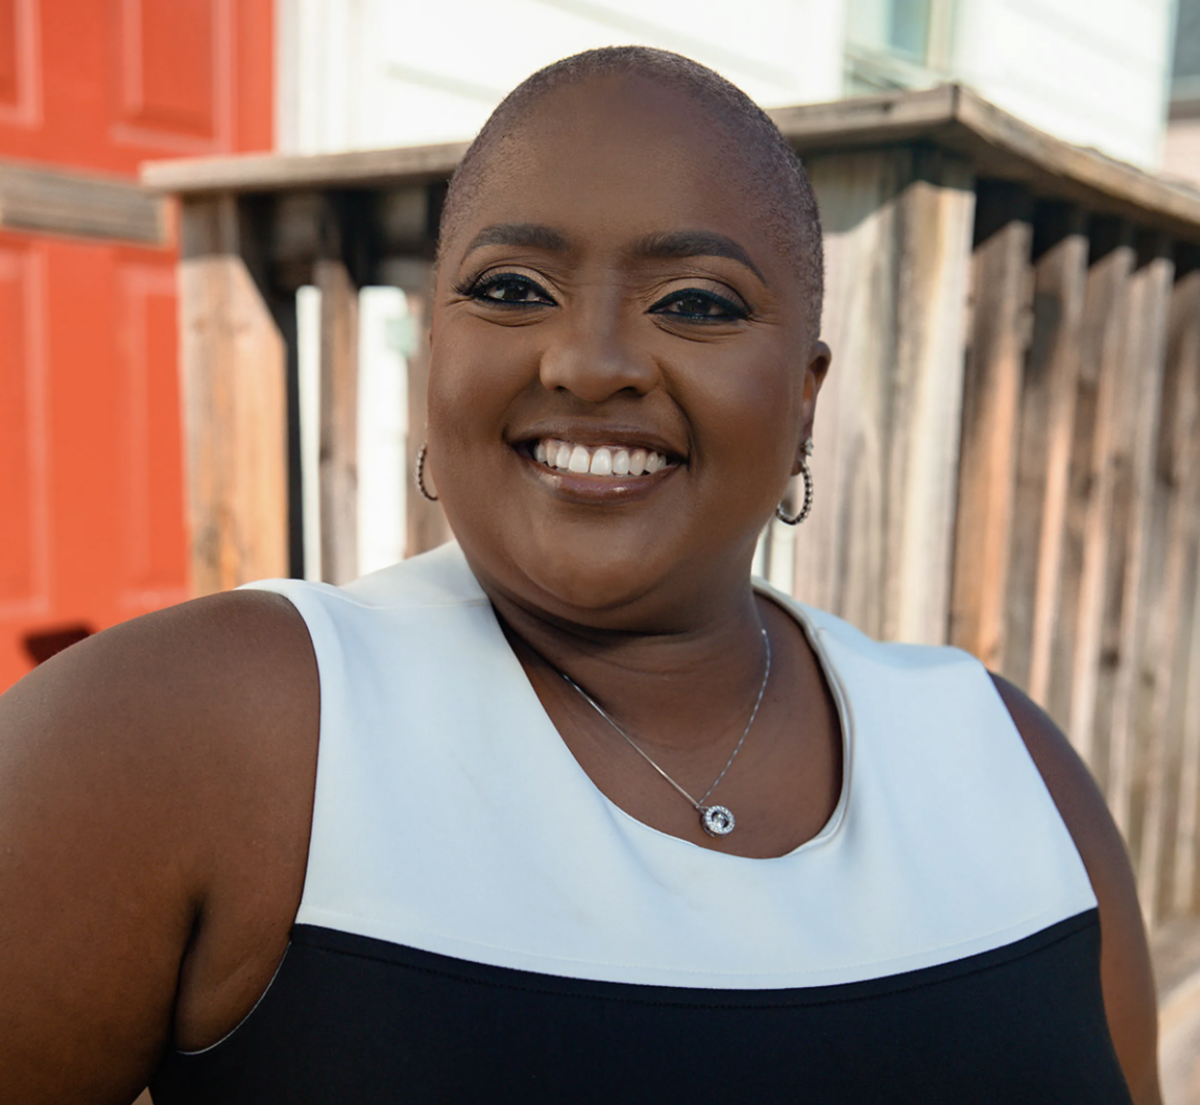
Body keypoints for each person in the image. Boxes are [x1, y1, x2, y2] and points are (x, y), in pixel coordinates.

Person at [0, 46, 1160, 1104]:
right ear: (437, 350)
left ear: (805, 397)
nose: (590, 361)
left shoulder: (1013, 768)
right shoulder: (200, 730)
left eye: (694, 302)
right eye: (512, 288)